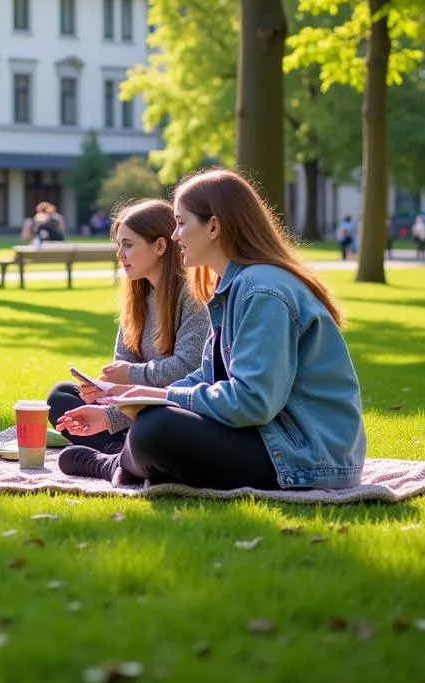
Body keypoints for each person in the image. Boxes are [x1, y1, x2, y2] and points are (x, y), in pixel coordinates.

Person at [58, 168, 367, 492]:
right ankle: (129, 462)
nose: (176, 236)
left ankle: (114, 465)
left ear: (214, 226)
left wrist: (162, 397)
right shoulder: (234, 287)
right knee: (150, 423)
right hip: (267, 437)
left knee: (156, 427)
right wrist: (117, 409)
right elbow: (209, 376)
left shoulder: (262, 291)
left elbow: (252, 402)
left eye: (180, 223)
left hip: (305, 458)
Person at [47, 199, 209, 454]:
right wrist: (104, 390)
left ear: (160, 246)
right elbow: (121, 364)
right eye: (119, 244)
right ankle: (123, 451)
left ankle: (123, 452)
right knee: (61, 396)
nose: (119, 254)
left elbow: (186, 368)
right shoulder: (138, 296)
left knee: (158, 421)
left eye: (128, 245)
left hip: (172, 406)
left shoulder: (193, 297)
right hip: (132, 406)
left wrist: (129, 377)